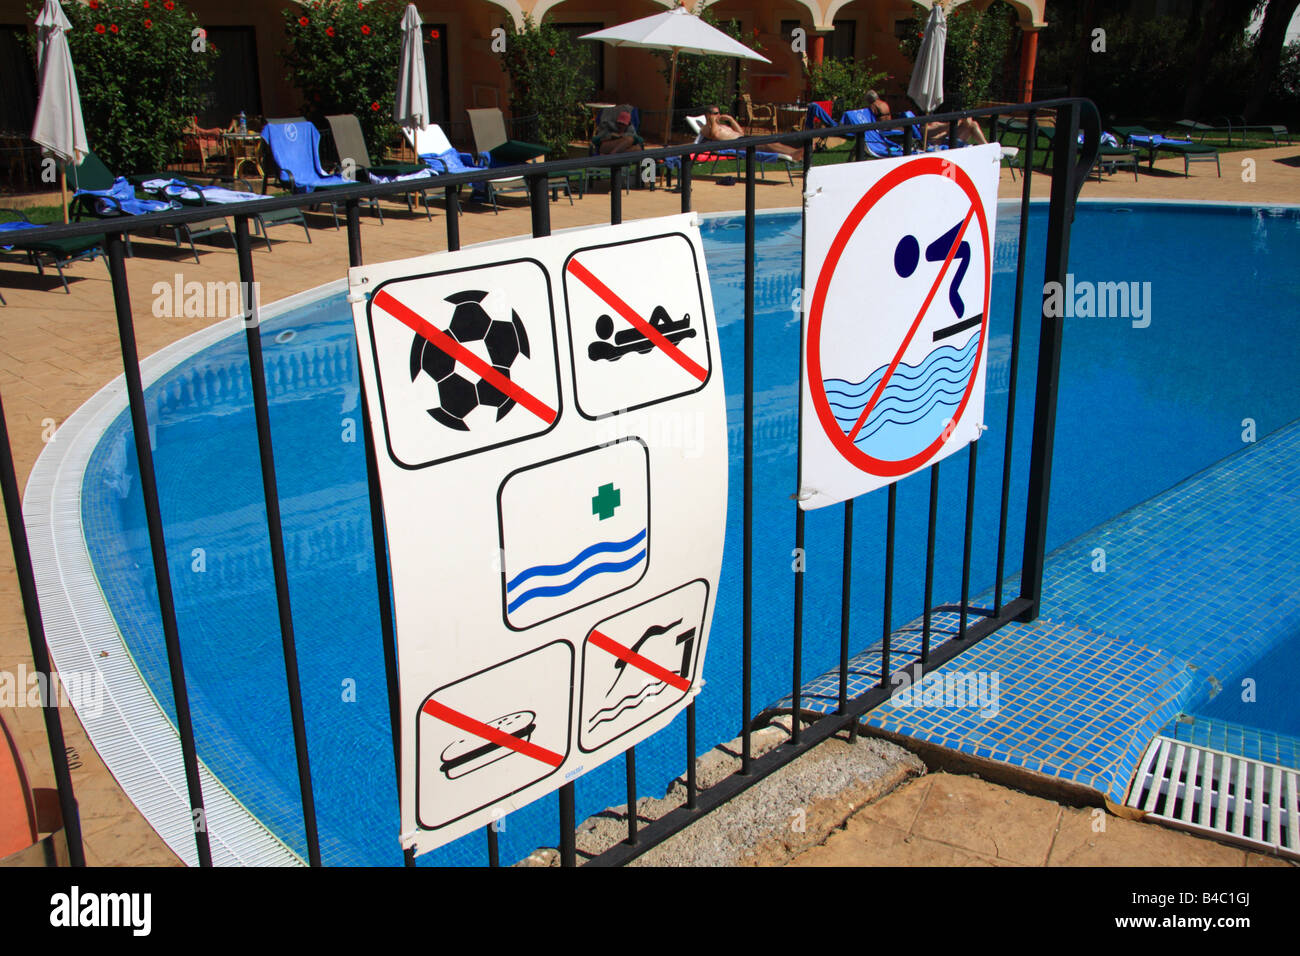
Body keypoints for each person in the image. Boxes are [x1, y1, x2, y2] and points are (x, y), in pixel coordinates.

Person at [864, 89, 988, 146]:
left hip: (936, 138)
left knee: (971, 124)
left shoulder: (874, 107)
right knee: (971, 124)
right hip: (935, 139)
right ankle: (988, 147)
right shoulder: (884, 104)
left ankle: (987, 147)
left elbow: (875, 119)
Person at [702, 105, 803, 160]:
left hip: (742, 139)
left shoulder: (722, 125)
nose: (719, 115)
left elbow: (740, 133)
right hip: (735, 144)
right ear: (708, 115)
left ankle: (794, 152)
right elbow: (714, 135)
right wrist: (712, 121)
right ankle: (793, 154)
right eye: (715, 113)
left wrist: (731, 120)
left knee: (771, 142)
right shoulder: (706, 128)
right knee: (766, 145)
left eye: (719, 112)